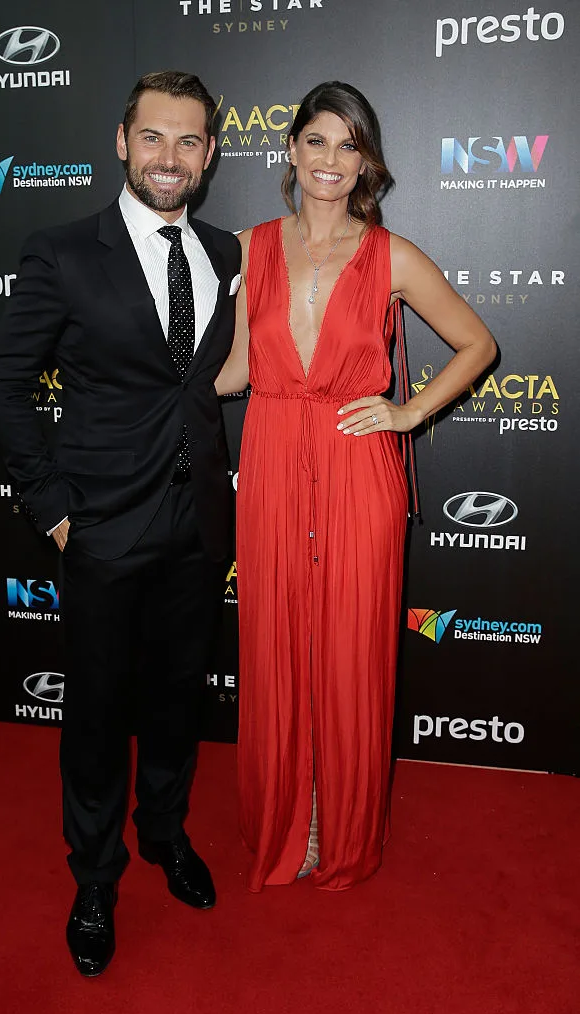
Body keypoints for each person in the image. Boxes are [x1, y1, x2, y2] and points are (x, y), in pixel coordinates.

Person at [0, 71, 242, 975]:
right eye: (154, 138)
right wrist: (51, 508)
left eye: (189, 142)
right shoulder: (62, 251)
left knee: (176, 697)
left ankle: (163, 834)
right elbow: (3, 385)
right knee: (94, 713)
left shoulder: (224, 251)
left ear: (209, 155)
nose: (170, 158)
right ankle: (95, 877)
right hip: (99, 524)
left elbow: (210, 382)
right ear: (122, 142)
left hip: (199, 522)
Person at [215, 81, 496, 892]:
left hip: (356, 468)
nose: (330, 161)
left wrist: (408, 413)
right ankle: (285, 825)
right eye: (316, 142)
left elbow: (476, 344)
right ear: (290, 149)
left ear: (366, 160)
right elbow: (234, 370)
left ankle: (337, 834)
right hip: (269, 464)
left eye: (348, 145)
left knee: (349, 656)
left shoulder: (392, 255)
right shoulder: (246, 246)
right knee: (273, 649)